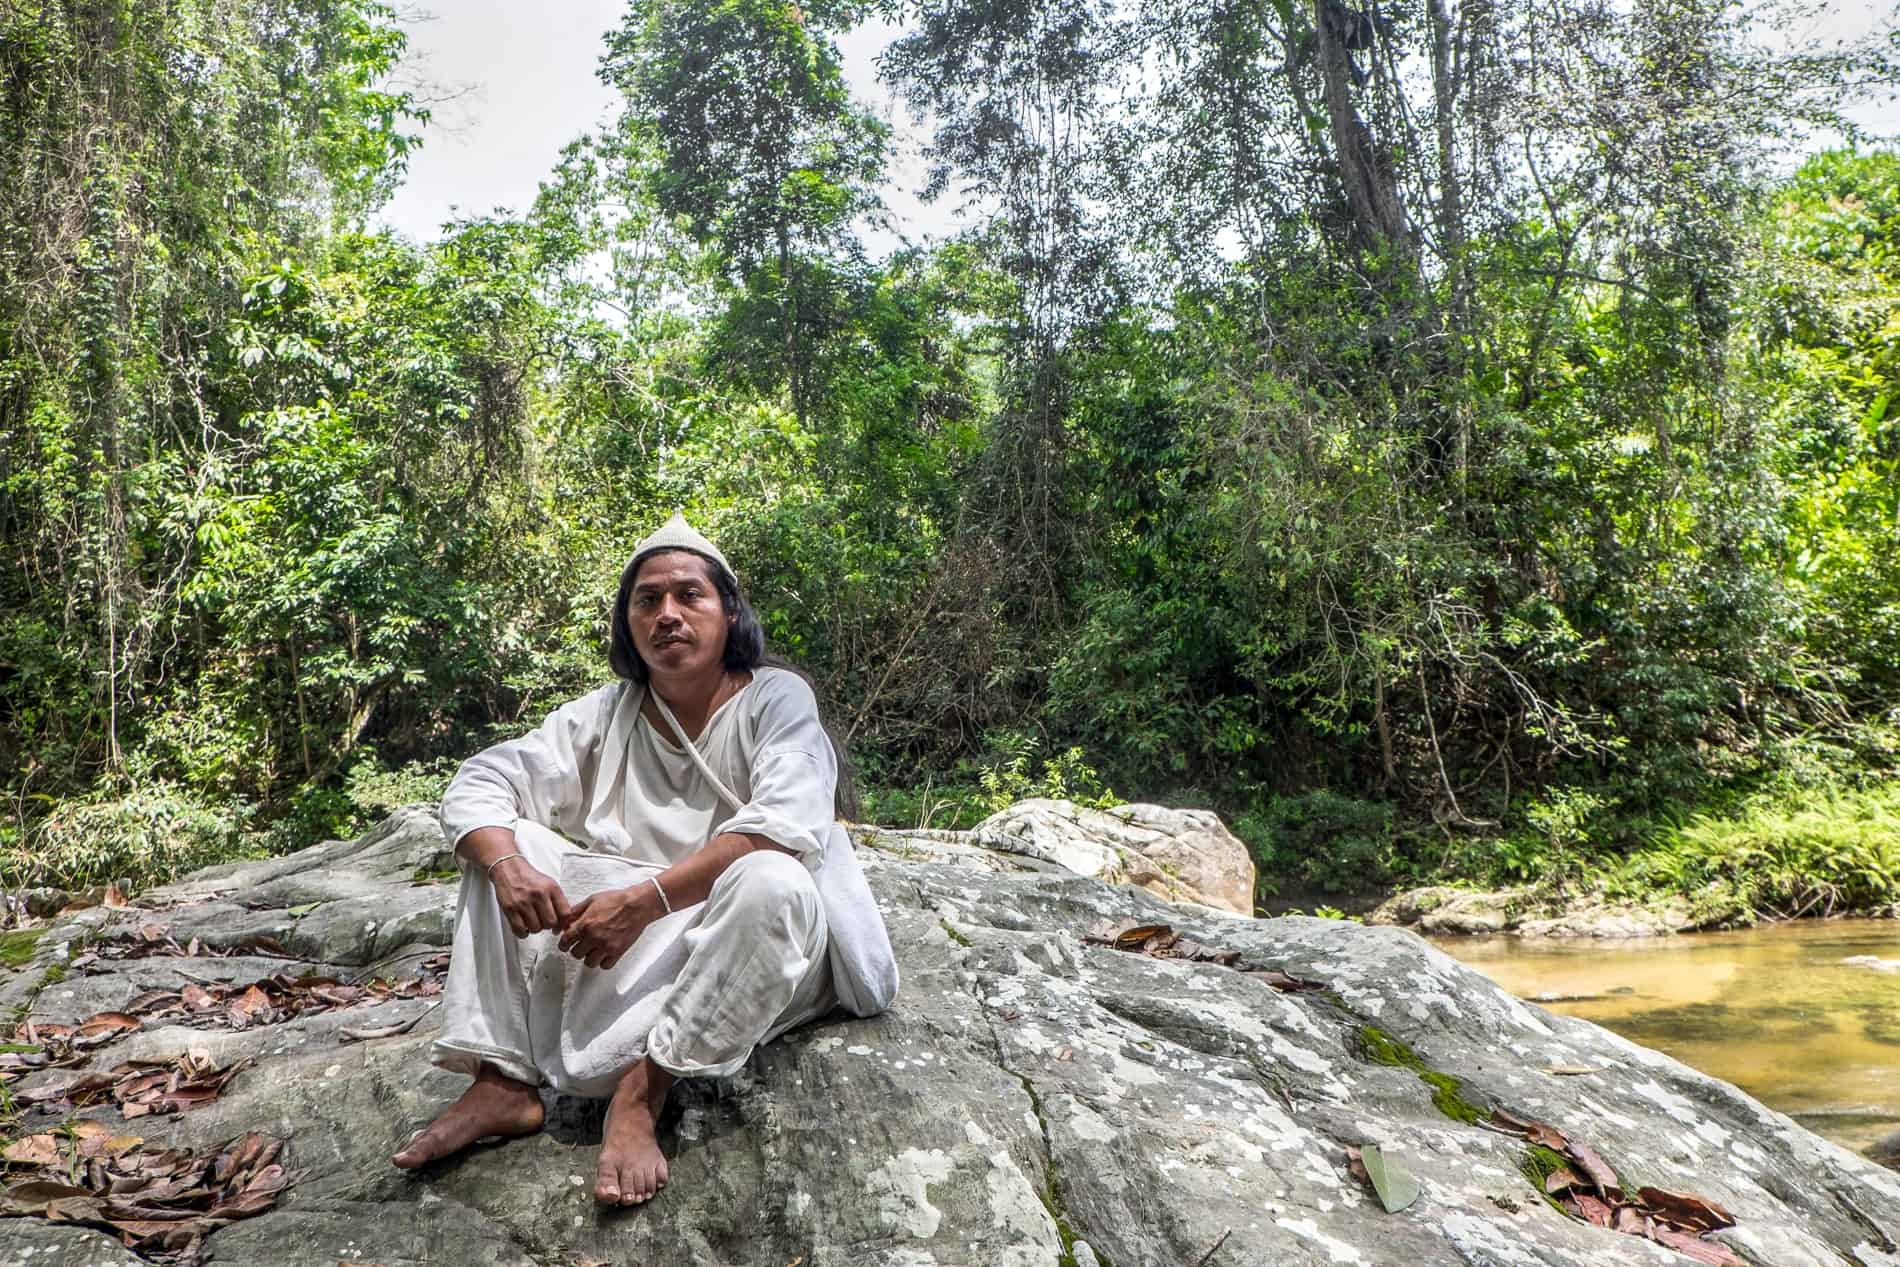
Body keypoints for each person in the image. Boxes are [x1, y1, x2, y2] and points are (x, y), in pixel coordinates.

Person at [391, 514, 898, 1205]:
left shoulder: (776, 700)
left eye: (690, 595)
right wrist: (509, 866)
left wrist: (644, 902)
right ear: (627, 623)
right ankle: (502, 1079)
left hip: (756, 944)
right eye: (646, 599)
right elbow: (482, 780)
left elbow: (784, 828)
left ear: (729, 613)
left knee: (772, 880)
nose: (667, 614)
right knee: (507, 844)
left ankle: (643, 1089)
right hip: (631, 946)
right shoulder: (609, 713)